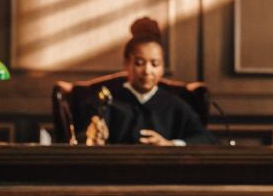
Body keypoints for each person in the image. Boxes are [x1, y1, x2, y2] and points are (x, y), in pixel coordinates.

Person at [85, 17, 219, 146]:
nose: (147, 71)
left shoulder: (174, 105)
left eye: (155, 64)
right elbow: (80, 139)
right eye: (139, 63)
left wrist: (170, 145)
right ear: (127, 63)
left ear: (162, 67)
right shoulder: (106, 102)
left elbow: (207, 139)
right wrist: (95, 141)